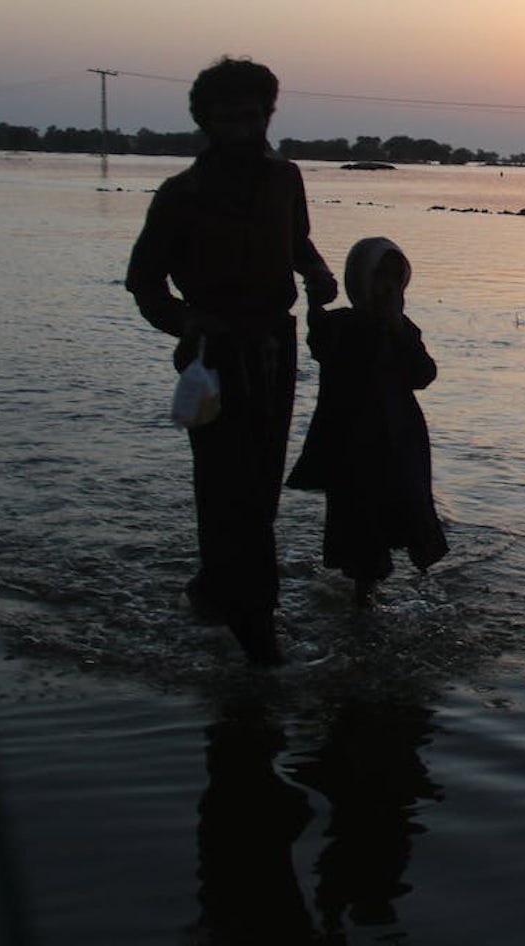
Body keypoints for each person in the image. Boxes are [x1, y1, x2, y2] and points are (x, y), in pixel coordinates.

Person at [125, 57, 337, 664]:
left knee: (261, 488)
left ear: (269, 114)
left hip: (275, 349)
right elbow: (144, 283)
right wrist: (186, 320)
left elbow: (297, 241)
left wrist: (316, 272)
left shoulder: (285, 178)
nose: (244, 129)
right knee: (228, 489)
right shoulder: (181, 196)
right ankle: (259, 636)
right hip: (213, 358)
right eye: (229, 119)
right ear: (205, 122)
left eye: (254, 116)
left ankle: (217, 589)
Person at [287, 237, 448, 604]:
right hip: (350, 441)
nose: (387, 287)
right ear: (359, 279)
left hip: (397, 439)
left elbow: (424, 375)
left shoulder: (403, 329)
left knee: (404, 509)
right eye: (379, 276)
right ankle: (364, 596)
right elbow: (319, 343)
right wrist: (314, 302)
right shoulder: (341, 325)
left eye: (394, 278)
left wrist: (397, 329)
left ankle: (376, 590)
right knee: (358, 521)